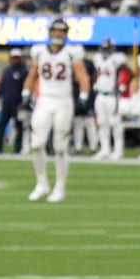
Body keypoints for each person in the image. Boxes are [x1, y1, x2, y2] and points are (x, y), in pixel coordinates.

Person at [28, 17, 86, 202]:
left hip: (63, 101)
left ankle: (60, 187)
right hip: (44, 100)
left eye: (62, 31)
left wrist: (84, 96)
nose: (59, 34)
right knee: (36, 144)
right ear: (50, 32)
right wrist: (26, 92)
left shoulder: (72, 52)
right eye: (56, 30)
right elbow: (33, 74)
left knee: (60, 147)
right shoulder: (38, 51)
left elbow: (82, 75)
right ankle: (41, 183)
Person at [91, 40, 129, 160]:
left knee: (115, 123)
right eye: (104, 48)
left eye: (107, 48)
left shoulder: (117, 59)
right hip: (100, 95)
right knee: (102, 123)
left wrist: (123, 84)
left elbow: (129, 72)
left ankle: (118, 150)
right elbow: (96, 73)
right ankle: (105, 149)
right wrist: (95, 82)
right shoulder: (97, 58)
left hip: (112, 96)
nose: (105, 51)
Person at [0, 47, 29, 154]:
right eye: (13, 57)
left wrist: (24, 101)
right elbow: (2, 86)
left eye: (16, 57)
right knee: (1, 125)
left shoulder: (24, 71)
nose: (14, 60)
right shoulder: (7, 70)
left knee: (18, 126)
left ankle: (17, 149)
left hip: (18, 103)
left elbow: (26, 87)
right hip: (6, 102)